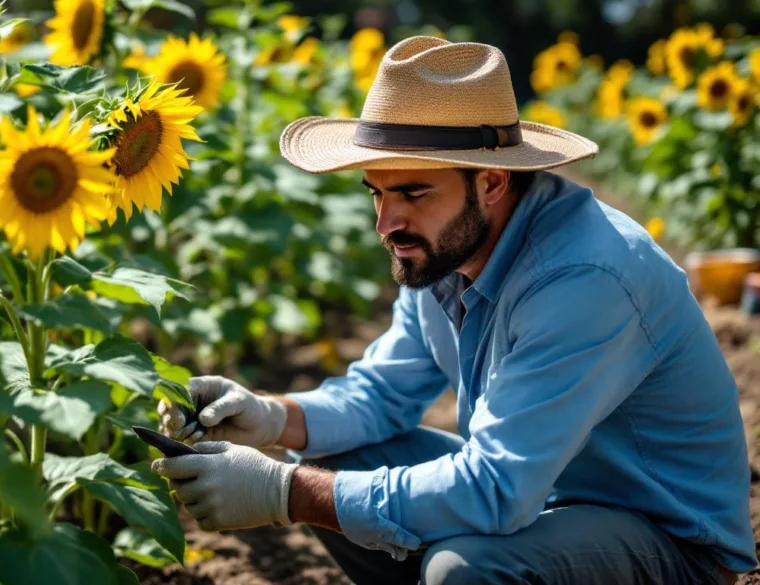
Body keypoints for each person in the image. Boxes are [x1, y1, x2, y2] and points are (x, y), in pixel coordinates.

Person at [152, 35, 757, 584]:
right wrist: (267, 416)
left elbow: (496, 489)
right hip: (545, 499)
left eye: (413, 193)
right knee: (333, 456)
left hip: (668, 542)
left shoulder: (583, 278)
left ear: (491, 182)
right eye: (377, 193)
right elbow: (377, 399)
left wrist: (285, 492)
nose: (386, 224)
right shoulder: (444, 252)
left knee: (464, 571)